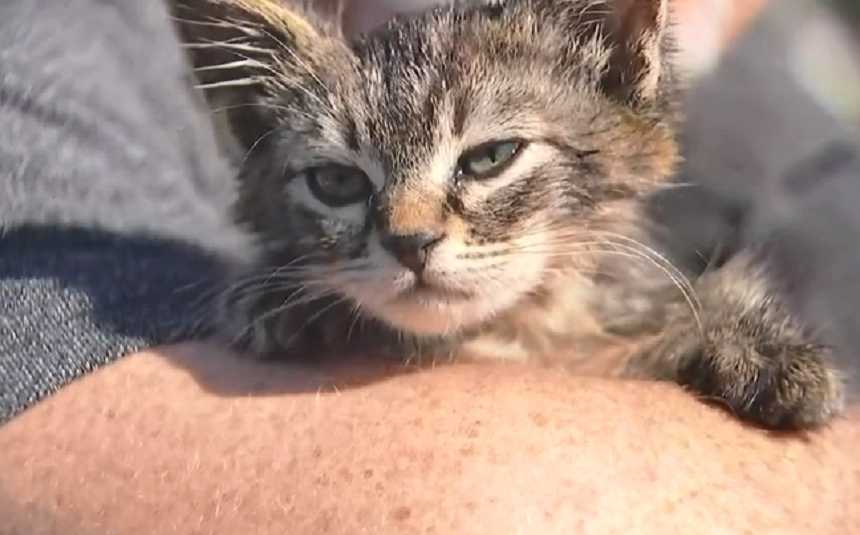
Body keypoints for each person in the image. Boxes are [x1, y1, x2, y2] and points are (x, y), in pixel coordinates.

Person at [1, 0, 857, 533]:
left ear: (617, 75)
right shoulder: (63, 49)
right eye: (340, 181)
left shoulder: (767, 160)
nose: (411, 230)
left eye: (489, 159)